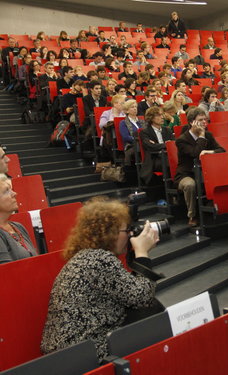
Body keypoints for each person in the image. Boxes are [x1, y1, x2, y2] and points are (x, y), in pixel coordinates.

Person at [41, 198, 161, 360]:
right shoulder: (99, 259)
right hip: (82, 352)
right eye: (126, 231)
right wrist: (142, 253)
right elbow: (143, 297)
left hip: (70, 350)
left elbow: (131, 291)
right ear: (110, 234)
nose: (130, 235)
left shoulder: (88, 256)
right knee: (151, 310)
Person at [174, 107, 225, 226]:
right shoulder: (182, 140)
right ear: (192, 122)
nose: (204, 122)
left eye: (205, 120)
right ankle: (192, 216)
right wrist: (201, 136)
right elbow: (195, 154)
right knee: (190, 185)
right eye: (201, 120)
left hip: (205, 172)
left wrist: (210, 152)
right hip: (186, 174)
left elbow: (222, 150)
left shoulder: (209, 135)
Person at [0, 178, 37, 264]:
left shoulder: (18, 226)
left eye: (11, 190)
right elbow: (6, 272)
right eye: (6, 191)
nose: (14, 194)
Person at [139, 106, 175, 184]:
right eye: (158, 115)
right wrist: (166, 144)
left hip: (168, 155)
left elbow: (173, 144)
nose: (162, 117)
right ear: (151, 118)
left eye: (162, 115)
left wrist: (160, 145)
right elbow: (150, 146)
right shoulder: (145, 132)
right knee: (169, 163)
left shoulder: (167, 130)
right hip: (154, 159)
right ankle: (172, 187)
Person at [119, 99, 145, 166]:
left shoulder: (142, 121)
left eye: (135, 107)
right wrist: (139, 140)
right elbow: (126, 137)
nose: (135, 109)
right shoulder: (123, 123)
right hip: (132, 145)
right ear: (127, 110)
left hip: (144, 143)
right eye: (132, 107)